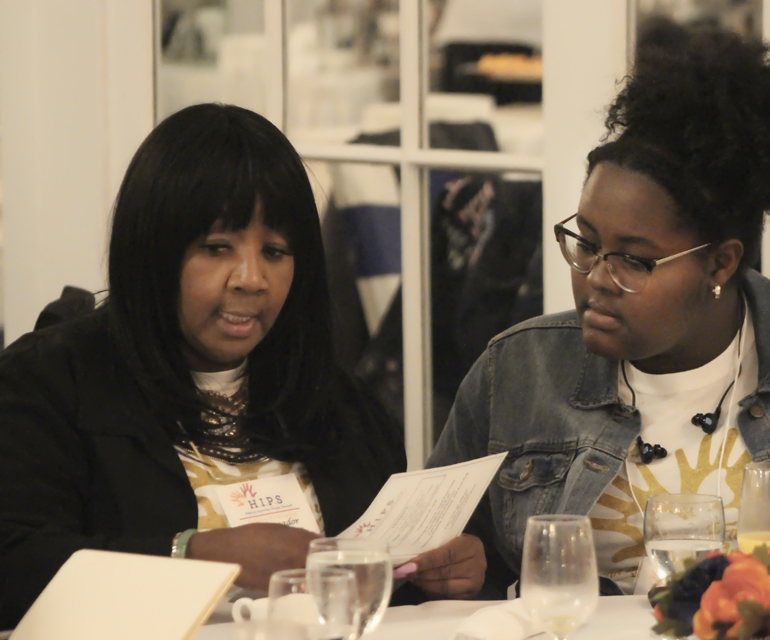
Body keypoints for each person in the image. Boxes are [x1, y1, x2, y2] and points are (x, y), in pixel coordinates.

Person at [427, 20, 770, 598]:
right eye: (587, 242)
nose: (595, 278)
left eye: (634, 260)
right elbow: (442, 555)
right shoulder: (515, 372)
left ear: (720, 264)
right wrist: (459, 576)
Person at [0, 103, 483, 628]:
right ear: (152, 250)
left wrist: (436, 573)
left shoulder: (335, 399)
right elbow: (15, 565)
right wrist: (196, 554)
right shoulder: (50, 383)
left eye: (275, 252)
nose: (251, 279)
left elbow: (375, 587)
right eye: (217, 248)